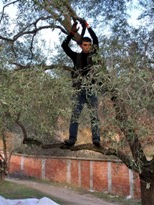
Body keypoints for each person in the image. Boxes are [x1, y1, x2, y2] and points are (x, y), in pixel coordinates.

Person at [61, 19, 101, 147]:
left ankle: (96, 139)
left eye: (89, 45)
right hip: (79, 91)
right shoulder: (75, 56)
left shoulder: (93, 54)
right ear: (80, 45)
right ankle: (72, 139)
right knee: (75, 115)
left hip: (91, 89)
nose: (87, 47)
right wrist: (72, 33)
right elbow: (64, 46)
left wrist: (88, 27)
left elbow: (96, 40)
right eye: (85, 45)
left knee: (94, 115)